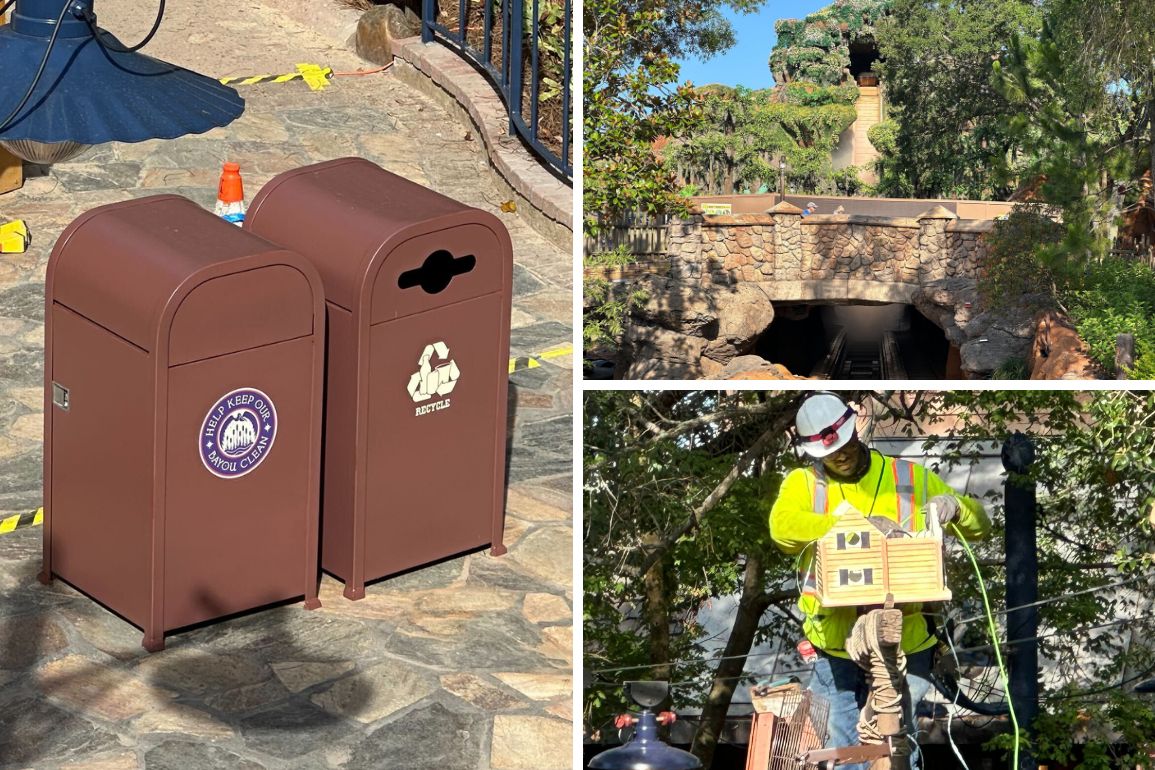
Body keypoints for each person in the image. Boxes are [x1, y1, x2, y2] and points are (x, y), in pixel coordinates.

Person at [769, 392, 990, 770]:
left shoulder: (907, 476)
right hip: (836, 644)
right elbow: (782, 529)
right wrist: (850, 527)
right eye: (829, 453)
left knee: (897, 740)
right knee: (843, 744)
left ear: (855, 429)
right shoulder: (803, 484)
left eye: (845, 446)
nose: (840, 456)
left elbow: (981, 526)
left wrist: (956, 509)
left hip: (907, 640)